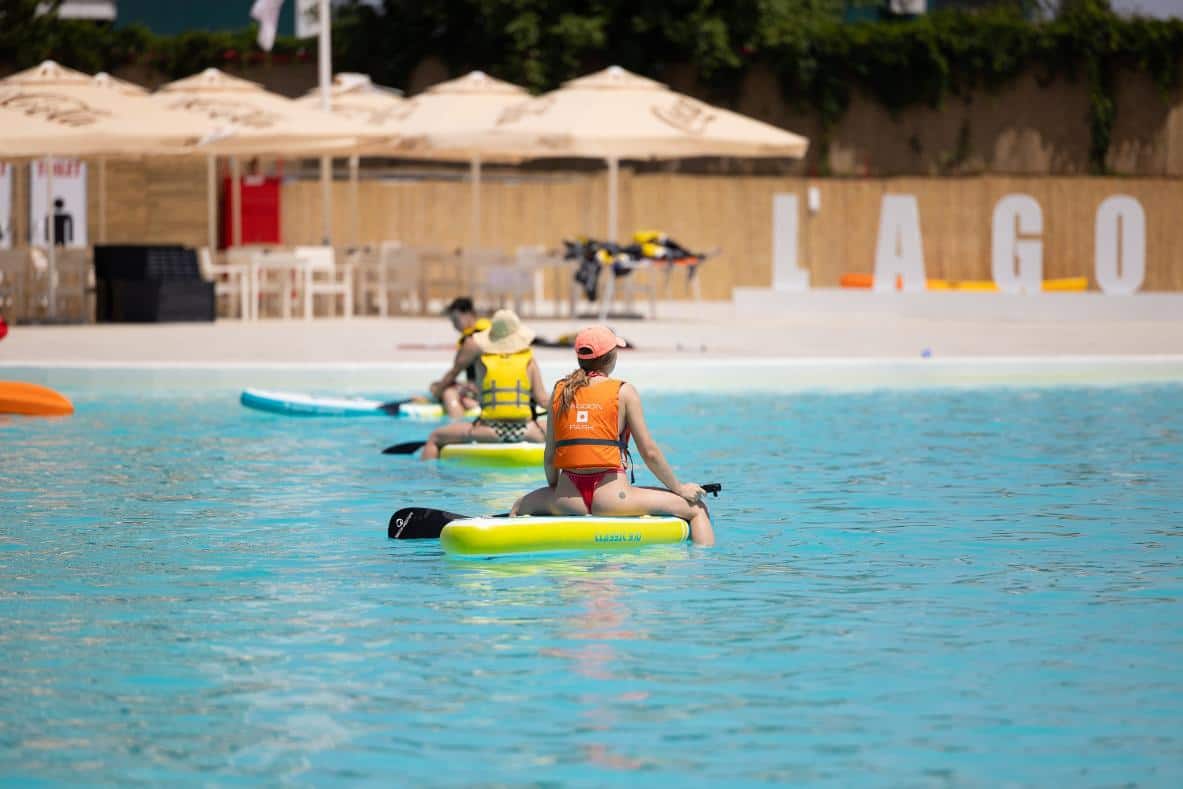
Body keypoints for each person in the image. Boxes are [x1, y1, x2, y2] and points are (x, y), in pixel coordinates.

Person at [511, 325, 714, 545]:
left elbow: (550, 455)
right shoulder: (624, 391)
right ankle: (702, 568)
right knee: (697, 509)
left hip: (567, 500)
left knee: (518, 506)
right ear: (611, 358)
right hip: (614, 499)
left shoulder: (559, 391)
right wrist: (680, 488)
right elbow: (650, 453)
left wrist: (554, 491)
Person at [421, 309, 548, 460]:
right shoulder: (529, 361)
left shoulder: (481, 360)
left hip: (488, 430)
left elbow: (457, 373)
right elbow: (543, 400)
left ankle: (427, 473)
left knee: (434, 437)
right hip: (527, 430)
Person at [429, 297, 490, 419]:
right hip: (499, 387)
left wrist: (436, 394)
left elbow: (454, 373)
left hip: (486, 392)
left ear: (469, 315)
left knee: (448, 392)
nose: (454, 325)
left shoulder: (473, 341)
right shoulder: (491, 331)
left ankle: (457, 423)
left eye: (456, 320)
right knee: (439, 385)